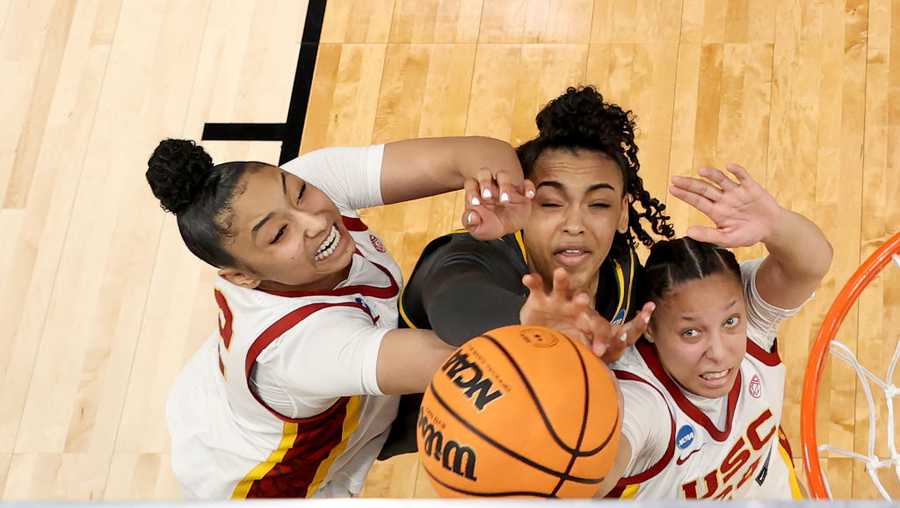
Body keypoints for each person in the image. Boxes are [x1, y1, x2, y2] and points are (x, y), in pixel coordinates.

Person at [147, 136, 531, 499]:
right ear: (242, 277)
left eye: (299, 192)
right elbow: (475, 362)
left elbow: (478, 153)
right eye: (280, 233)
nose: (313, 221)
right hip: (262, 480)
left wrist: (505, 200)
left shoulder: (308, 188)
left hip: (237, 403)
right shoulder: (301, 349)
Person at [376, 86, 673, 459]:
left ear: (623, 212)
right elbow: (455, 302)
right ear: (521, 205)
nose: (575, 224)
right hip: (362, 420)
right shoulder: (466, 255)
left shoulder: (620, 270)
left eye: (599, 203)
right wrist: (531, 325)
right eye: (550, 203)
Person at [594, 164, 832, 500]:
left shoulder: (753, 325)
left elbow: (811, 263)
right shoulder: (642, 402)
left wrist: (775, 224)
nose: (719, 352)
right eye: (691, 333)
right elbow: (593, 474)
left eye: (731, 322)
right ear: (649, 327)